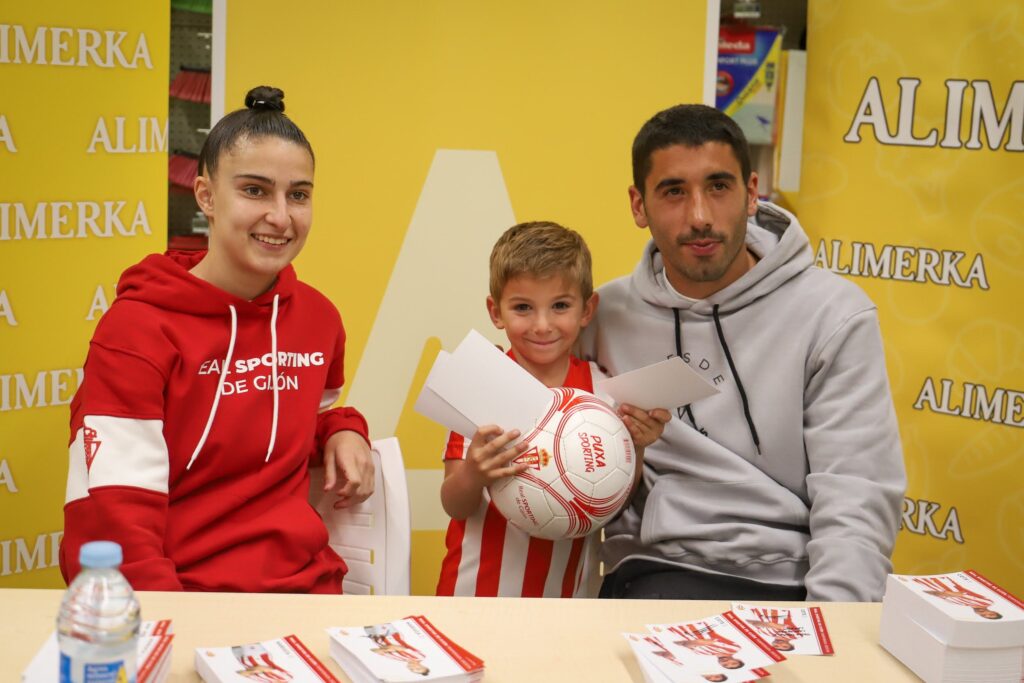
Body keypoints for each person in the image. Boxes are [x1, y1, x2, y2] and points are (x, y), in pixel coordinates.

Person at [582, 104, 906, 602]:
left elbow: (856, 496)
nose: (700, 217)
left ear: (752, 193)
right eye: (673, 192)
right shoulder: (606, 315)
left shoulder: (833, 314)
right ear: (637, 205)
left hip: (792, 583)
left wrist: (830, 636)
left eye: (719, 186)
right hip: (653, 578)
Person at [59, 86, 374, 593]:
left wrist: (342, 427)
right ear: (205, 195)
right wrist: (168, 628)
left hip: (308, 592)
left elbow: (301, 420)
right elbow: (112, 512)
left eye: (298, 194)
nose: (280, 215)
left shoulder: (318, 318)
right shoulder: (137, 330)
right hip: (184, 598)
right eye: (255, 190)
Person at [434, 221, 670, 597]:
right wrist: (474, 473)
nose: (542, 326)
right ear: (496, 312)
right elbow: (455, 505)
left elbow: (613, 500)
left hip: (567, 605)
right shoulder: (479, 382)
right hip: (475, 599)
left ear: (587, 309)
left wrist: (637, 447)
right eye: (523, 308)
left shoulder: (602, 393)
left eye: (560, 305)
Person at [913, 576, 1003, 619]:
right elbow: (963, 593)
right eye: (990, 614)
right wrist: (940, 593)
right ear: (994, 611)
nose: (985, 614)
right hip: (940, 580)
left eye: (984, 616)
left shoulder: (959, 604)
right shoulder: (986, 602)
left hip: (923, 583)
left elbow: (938, 595)